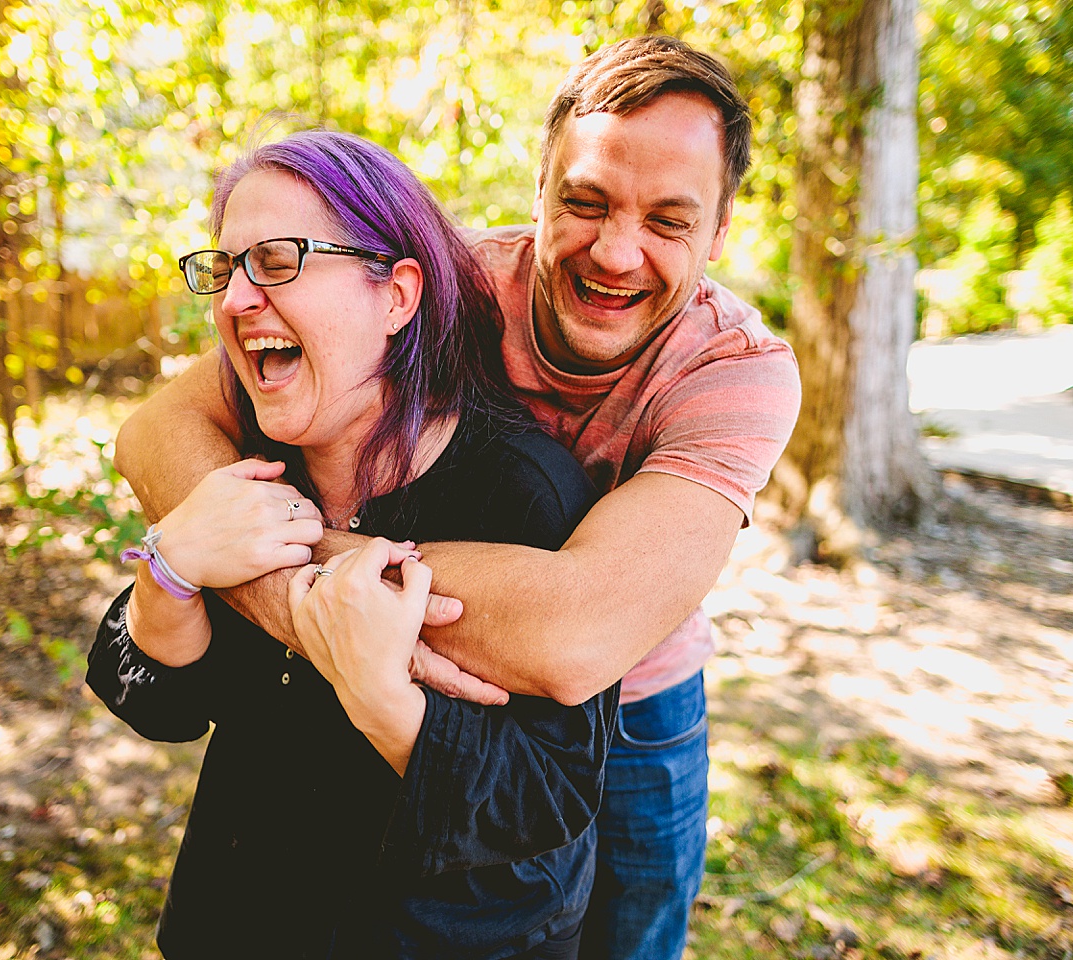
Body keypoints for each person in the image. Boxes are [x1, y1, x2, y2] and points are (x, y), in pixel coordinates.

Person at [113, 37, 802, 960]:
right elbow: (155, 431)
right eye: (584, 202)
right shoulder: (448, 285)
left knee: (623, 935)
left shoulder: (735, 372)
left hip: (634, 694)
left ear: (719, 235)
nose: (617, 251)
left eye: (670, 221)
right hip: (408, 666)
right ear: (541, 190)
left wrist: (294, 554)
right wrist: (270, 593)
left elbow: (574, 638)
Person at [87, 130, 619, 959]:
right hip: (238, 920)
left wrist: (382, 699)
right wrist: (171, 566)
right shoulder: (250, 466)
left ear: (397, 295)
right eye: (225, 271)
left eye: (277, 259)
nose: (232, 301)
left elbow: (551, 795)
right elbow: (160, 702)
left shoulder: (528, 494)